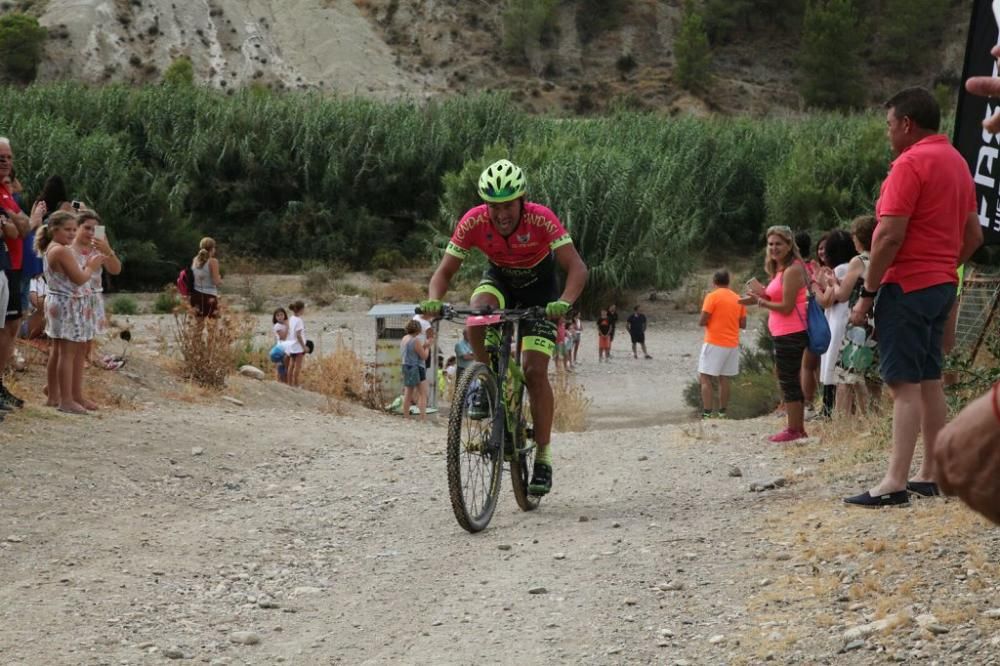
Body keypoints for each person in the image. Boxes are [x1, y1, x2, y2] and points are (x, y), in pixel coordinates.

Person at [844, 87, 983, 507]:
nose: (888, 133)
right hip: (942, 285)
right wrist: (942, 265)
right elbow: (974, 236)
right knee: (929, 380)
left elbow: (887, 235)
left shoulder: (910, 164)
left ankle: (894, 483)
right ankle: (933, 473)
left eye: (889, 124)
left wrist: (867, 295)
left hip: (906, 287)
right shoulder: (958, 163)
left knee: (902, 384)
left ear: (907, 124)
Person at [420, 159, 588, 496]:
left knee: (534, 372)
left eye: (508, 205)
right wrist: (434, 300)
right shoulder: (474, 221)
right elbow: (444, 272)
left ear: (521, 200)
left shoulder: (541, 218)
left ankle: (542, 454)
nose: (501, 214)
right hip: (500, 282)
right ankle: (487, 379)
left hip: (542, 291)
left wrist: (564, 303)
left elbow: (577, 268)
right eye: (494, 206)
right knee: (478, 314)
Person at [743, 225, 809, 442]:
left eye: (778, 244)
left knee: (788, 379)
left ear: (789, 245)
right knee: (788, 378)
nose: (773, 248)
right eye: (770, 244)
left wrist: (761, 301)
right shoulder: (782, 270)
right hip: (783, 331)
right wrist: (762, 296)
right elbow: (779, 300)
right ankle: (796, 427)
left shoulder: (792, 270)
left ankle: (795, 429)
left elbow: (787, 306)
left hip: (791, 332)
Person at [35, 211, 106, 414]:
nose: (72, 233)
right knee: (69, 353)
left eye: (74, 229)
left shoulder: (54, 248)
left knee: (58, 351)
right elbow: (80, 278)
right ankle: (67, 399)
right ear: (54, 229)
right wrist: (91, 267)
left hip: (59, 302)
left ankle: (58, 396)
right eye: (68, 229)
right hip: (68, 304)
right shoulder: (62, 251)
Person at [831, 216, 878, 417]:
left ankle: (843, 422)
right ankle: (875, 419)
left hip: (858, 322)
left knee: (846, 375)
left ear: (858, 238)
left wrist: (832, 282)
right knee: (873, 376)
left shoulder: (858, 261)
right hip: (877, 322)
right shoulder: (882, 259)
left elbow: (842, 294)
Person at [73, 210, 122, 384]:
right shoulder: (69, 247)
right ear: (76, 227)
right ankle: (81, 362)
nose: (91, 233)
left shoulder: (98, 247)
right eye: (86, 228)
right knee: (77, 334)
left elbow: (115, 270)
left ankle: (89, 357)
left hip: (93, 294)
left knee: (89, 333)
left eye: (95, 229)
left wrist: (108, 251)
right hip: (75, 296)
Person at [0, 137, 31, 412]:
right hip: (6, 264)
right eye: (1, 156)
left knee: (11, 327)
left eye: (9, 156)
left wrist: (12, 217)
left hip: (14, 265)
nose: (5, 161)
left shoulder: (6, 191)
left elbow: (22, 228)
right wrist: (14, 221)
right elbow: (11, 229)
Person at [813, 229, 857, 418]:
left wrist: (816, 285)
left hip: (837, 320)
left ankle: (828, 410)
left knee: (831, 363)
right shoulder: (852, 267)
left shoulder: (840, 270)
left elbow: (826, 301)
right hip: (845, 318)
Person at [698, 270, 747, 419]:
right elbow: (743, 324)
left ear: (714, 281)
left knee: (705, 377)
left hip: (714, 341)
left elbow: (703, 320)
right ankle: (722, 412)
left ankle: (707, 412)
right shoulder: (738, 298)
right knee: (724, 378)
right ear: (728, 281)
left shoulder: (712, 297)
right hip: (732, 343)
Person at [400, 319, 430, 420]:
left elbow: (412, 351)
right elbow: (424, 356)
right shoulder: (415, 340)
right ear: (418, 329)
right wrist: (427, 347)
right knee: (422, 393)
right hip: (417, 368)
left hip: (406, 366)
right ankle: (423, 417)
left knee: (408, 393)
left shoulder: (404, 338)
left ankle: (406, 416)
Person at [190, 237, 222, 318]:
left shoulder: (195, 260)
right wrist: (219, 279)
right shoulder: (213, 261)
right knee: (212, 327)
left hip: (195, 295)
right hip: (209, 296)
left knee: (198, 327)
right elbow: (216, 282)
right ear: (212, 248)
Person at [286, 300, 307, 387]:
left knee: (291, 366)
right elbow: (298, 335)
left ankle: (289, 383)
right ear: (301, 309)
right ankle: (296, 384)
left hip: (292, 346)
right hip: (298, 348)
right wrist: (304, 347)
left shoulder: (291, 318)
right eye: (303, 309)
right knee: (297, 367)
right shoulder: (299, 321)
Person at [271, 307, 290, 383]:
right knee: (281, 367)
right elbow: (283, 337)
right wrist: (288, 327)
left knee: (286, 367)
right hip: (281, 349)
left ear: (285, 315)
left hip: (287, 348)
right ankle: (279, 382)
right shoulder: (277, 326)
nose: (280, 317)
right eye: (278, 315)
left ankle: (285, 382)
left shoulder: (286, 324)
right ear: (275, 317)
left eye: (281, 315)